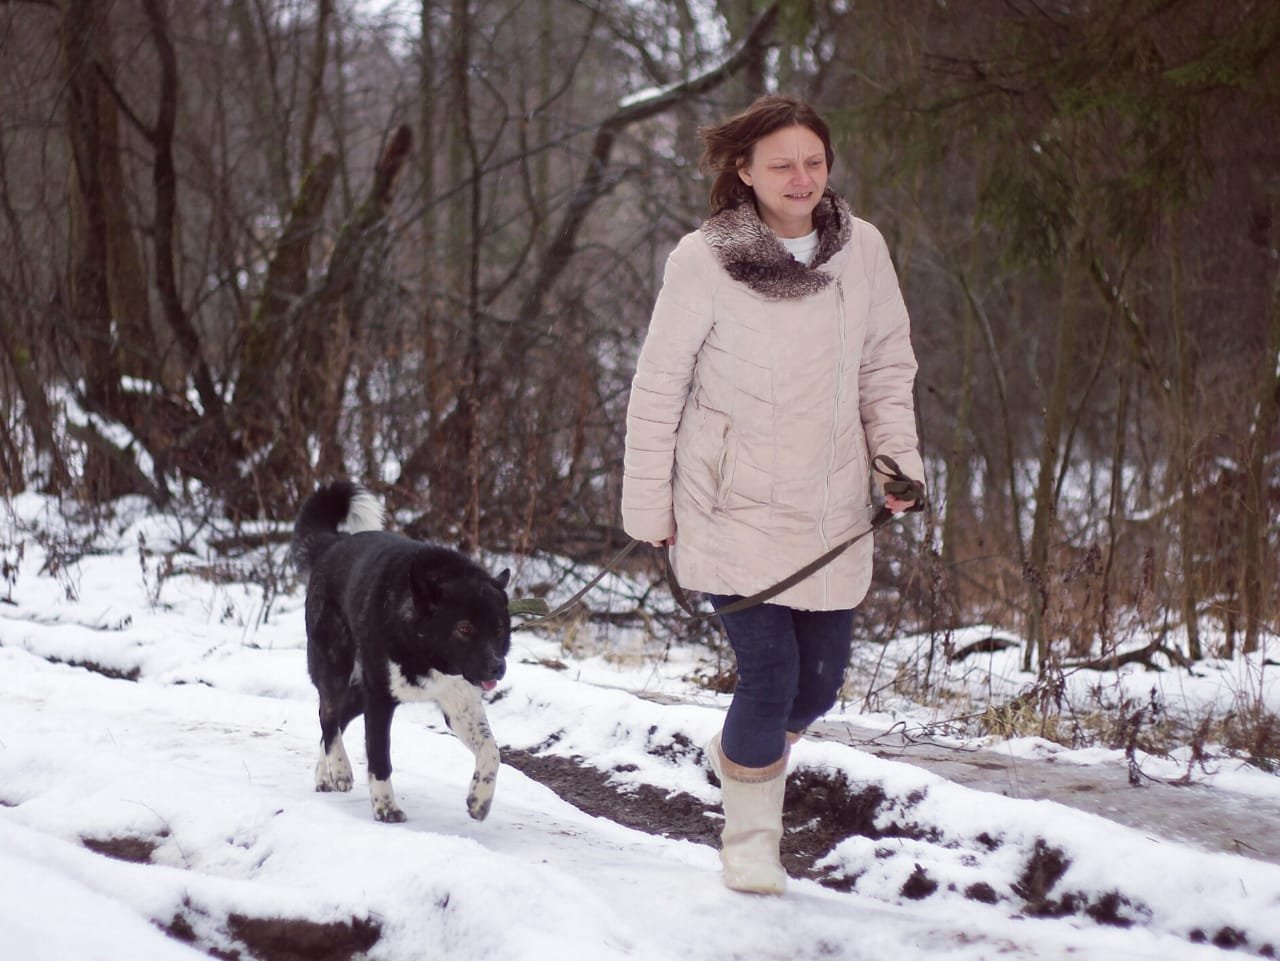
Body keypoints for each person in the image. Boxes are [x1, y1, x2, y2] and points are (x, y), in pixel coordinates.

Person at [620, 94, 925, 895]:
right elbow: (659, 384)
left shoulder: (863, 250)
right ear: (745, 171)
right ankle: (751, 843)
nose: (801, 177)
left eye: (814, 162)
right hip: (729, 503)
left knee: (817, 684)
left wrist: (897, 465)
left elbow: (885, 367)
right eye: (782, 164)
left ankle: (744, 758)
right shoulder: (702, 260)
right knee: (770, 676)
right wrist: (651, 505)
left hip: (829, 503)